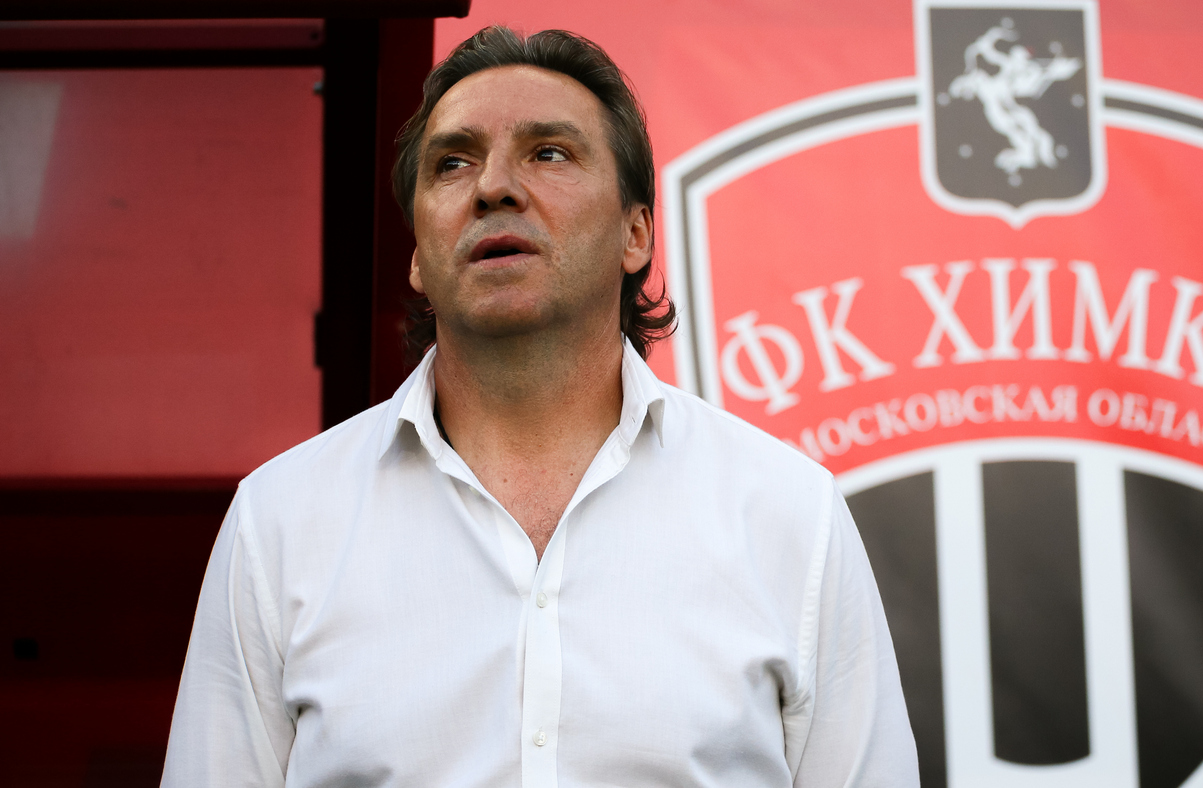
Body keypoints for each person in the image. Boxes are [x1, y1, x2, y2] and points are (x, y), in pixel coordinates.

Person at [162, 26, 917, 787]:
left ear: (635, 234)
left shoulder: (791, 514)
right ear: (418, 256)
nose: (493, 186)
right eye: (453, 163)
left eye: (548, 153)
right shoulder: (280, 521)